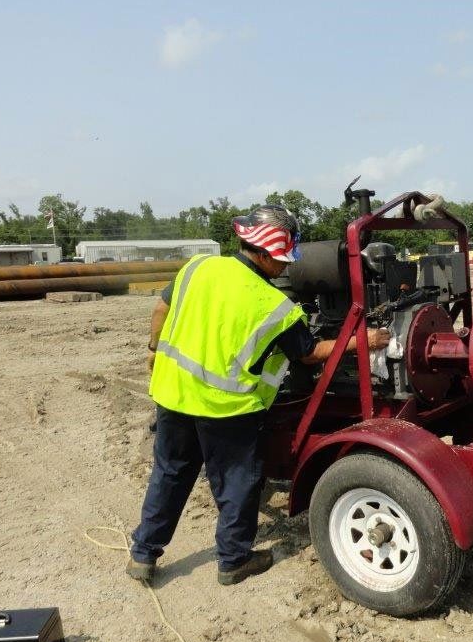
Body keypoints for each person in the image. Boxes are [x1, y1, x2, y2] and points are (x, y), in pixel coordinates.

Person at [127, 205, 389, 585]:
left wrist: (154, 349)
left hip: (173, 393)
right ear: (264, 254)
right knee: (236, 482)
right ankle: (233, 561)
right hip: (226, 408)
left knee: (170, 473)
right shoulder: (273, 306)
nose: (285, 268)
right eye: (281, 260)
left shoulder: (200, 267)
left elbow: (161, 308)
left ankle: (144, 555)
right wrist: (362, 340)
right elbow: (309, 353)